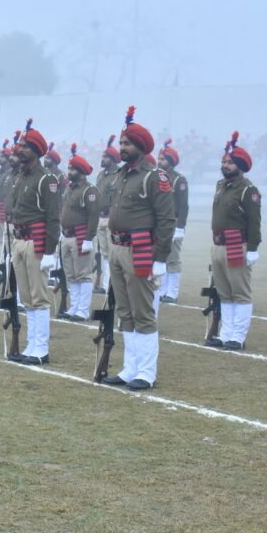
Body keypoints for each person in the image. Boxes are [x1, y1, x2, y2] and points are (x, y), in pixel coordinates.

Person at [100, 107, 175, 391]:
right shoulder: (121, 175)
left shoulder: (155, 177)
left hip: (141, 249)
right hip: (117, 247)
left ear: (141, 147)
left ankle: (146, 371)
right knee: (125, 311)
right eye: (121, 143)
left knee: (143, 312)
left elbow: (167, 219)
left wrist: (160, 259)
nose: (122, 148)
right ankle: (130, 368)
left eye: (127, 144)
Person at [6, 119, 60, 365]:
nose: (20, 149)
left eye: (26, 146)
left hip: (36, 241)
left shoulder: (45, 179)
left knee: (38, 296)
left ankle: (40, 347)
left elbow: (52, 217)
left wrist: (49, 251)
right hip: (19, 241)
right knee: (26, 296)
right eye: (20, 146)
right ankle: (30, 344)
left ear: (37, 151)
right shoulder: (20, 176)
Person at [205, 132, 262, 351]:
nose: (225, 165)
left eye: (229, 162)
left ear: (240, 165)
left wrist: (253, 248)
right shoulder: (221, 186)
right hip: (218, 245)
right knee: (224, 293)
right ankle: (225, 333)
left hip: (237, 244)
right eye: (223, 162)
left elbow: (254, 221)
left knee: (240, 292)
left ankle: (237, 336)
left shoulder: (249, 190)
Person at [57, 144, 99, 322]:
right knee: (71, 274)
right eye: (69, 168)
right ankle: (74, 306)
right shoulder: (70, 188)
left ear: (80, 171)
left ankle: (82, 309)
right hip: (66, 236)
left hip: (80, 236)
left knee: (83, 274)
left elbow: (93, 215)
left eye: (72, 169)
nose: (69, 171)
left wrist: (89, 238)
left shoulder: (89, 191)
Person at [158, 139, 190, 303]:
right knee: (161, 256)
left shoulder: (179, 180)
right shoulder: (157, 177)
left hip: (173, 222)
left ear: (171, 161)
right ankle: (163, 289)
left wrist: (180, 227)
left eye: (163, 159)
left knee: (173, 258)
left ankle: (172, 292)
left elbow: (183, 206)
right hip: (160, 223)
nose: (159, 162)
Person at [93, 135, 121, 294]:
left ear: (112, 159)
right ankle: (104, 284)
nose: (102, 159)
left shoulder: (118, 175)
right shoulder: (100, 175)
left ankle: (111, 283)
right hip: (100, 217)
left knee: (112, 253)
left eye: (105, 157)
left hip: (112, 217)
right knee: (103, 253)